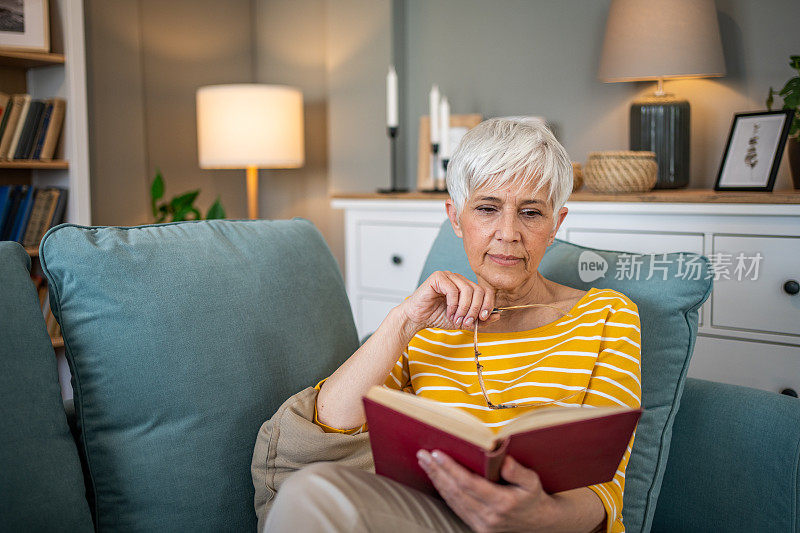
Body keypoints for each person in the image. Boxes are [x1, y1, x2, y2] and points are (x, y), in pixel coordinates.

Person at [261, 118, 641, 533]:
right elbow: (329, 430)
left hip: (544, 525)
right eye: (487, 208)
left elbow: (605, 490)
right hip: (430, 518)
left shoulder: (605, 314)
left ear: (555, 225)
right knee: (312, 489)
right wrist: (404, 321)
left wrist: (539, 516)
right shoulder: (428, 321)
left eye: (531, 212)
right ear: (455, 218)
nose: (508, 233)